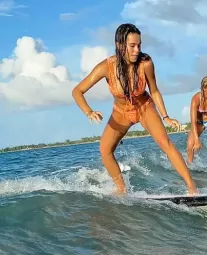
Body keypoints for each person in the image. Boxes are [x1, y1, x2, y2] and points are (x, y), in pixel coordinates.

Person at [72, 23, 198, 195]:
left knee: (165, 143)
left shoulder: (145, 63)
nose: (137, 50)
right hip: (121, 113)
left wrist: (165, 116)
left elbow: (153, 89)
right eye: (132, 46)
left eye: (139, 45)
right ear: (120, 44)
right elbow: (77, 91)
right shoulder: (106, 67)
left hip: (144, 107)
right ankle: (121, 189)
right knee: (105, 150)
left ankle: (192, 187)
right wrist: (89, 111)